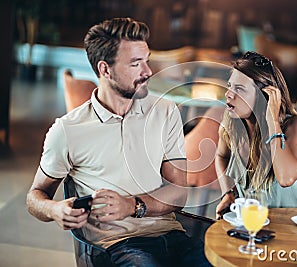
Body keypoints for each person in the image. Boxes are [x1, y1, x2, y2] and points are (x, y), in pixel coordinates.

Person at [26, 17, 211, 267]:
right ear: (105, 69)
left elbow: (179, 193)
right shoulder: (68, 130)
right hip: (119, 245)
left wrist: (133, 205)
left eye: (147, 60)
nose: (148, 72)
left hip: (173, 236)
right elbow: (35, 197)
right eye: (136, 64)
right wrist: (54, 210)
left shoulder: (164, 111)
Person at [215, 51, 297, 219]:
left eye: (239, 89)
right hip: (254, 229)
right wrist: (228, 192)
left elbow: (286, 178)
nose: (228, 94)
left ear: (265, 97)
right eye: (229, 86)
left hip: (295, 232)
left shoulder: (296, 126)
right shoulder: (231, 126)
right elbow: (220, 155)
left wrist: (273, 122)